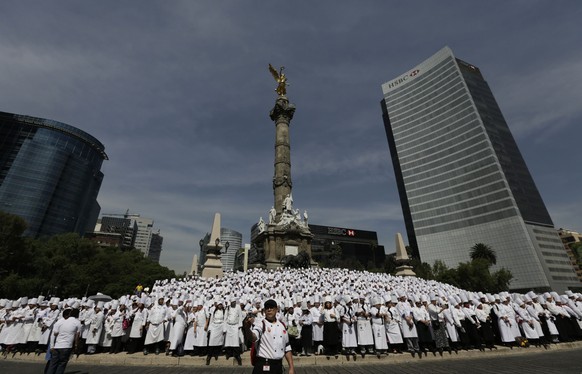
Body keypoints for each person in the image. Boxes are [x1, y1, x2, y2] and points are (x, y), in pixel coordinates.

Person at [245, 299, 295, 374]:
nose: (269, 310)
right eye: (267, 308)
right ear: (264, 311)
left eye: (271, 308)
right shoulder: (261, 324)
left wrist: (291, 367)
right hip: (264, 365)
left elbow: (287, 348)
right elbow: (253, 337)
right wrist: (247, 328)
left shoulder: (282, 326)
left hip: (278, 366)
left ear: (276, 310)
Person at [46, 308, 81, 374]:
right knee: (62, 364)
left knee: (53, 364)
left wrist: (52, 346)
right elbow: (77, 335)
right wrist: (76, 346)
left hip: (57, 346)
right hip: (66, 346)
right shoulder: (77, 322)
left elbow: (54, 334)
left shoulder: (61, 322)